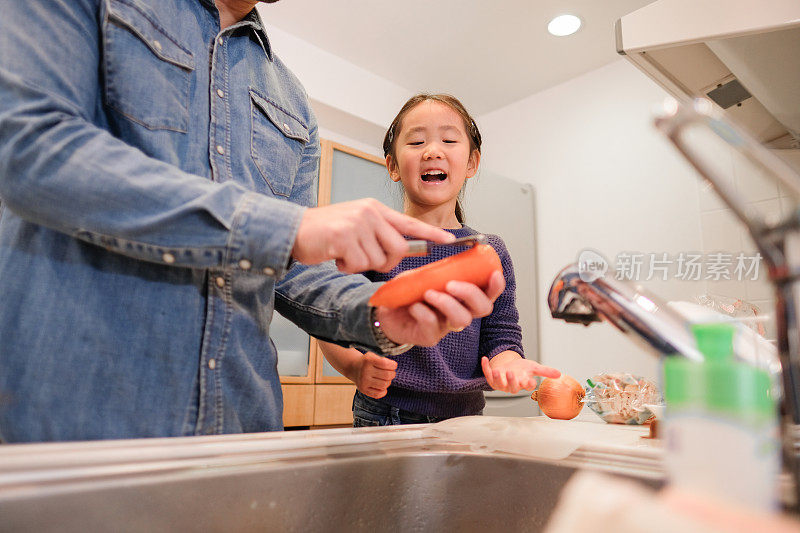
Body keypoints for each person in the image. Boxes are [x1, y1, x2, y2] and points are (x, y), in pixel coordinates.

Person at [0, 1, 504, 442]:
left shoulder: (293, 105)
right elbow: (30, 146)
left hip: (241, 426)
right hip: (71, 419)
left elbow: (286, 270)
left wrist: (376, 314)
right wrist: (287, 229)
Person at [319, 94, 561, 426]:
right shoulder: (377, 240)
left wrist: (508, 362)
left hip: (466, 416)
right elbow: (330, 319)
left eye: (448, 139)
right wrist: (354, 367)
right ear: (392, 165)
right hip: (385, 412)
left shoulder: (490, 250)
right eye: (417, 141)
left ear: (472, 163)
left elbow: (501, 334)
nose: (433, 150)